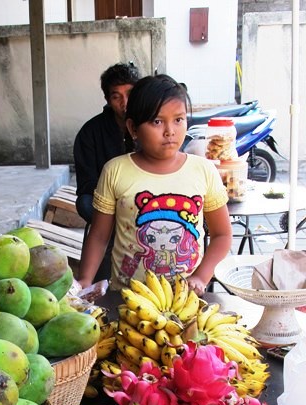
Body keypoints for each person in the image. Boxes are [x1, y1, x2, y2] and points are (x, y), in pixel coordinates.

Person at [78, 74, 232, 295]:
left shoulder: (203, 170)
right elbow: (99, 236)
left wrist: (201, 276)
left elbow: (222, 235)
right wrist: (85, 279)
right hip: (127, 297)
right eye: (157, 122)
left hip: (185, 298)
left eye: (178, 120)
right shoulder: (115, 171)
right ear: (133, 128)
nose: (170, 131)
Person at [73, 62, 140, 225]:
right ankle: (113, 235)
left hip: (144, 197)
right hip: (108, 201)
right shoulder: (90, 132)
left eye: (130, 94)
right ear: (108, 100)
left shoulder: (149, 126)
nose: (125, 103)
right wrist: (117, 197)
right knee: (84, 203)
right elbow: (86, 184)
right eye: (117, 97)